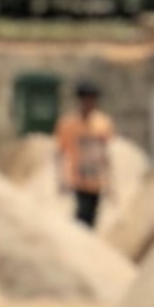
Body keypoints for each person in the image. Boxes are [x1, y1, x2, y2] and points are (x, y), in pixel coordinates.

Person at [53, 80, 117, 230]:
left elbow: (107, 153)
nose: (89, 104)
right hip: (78, 179)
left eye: (92, 100)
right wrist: (61, 178)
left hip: (97, 179)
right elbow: (60, 152)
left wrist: (110, 182)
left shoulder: (103, 123)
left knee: (92, 219)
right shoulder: (68, 124)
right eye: (86, 100)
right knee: (81, 217)